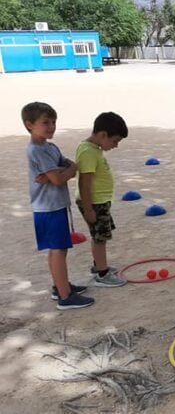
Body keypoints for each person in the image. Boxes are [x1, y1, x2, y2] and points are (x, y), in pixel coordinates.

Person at [23, 102, 95, 310]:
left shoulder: (49, 146)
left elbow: (69, 165)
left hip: (55, 205)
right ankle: (65, 296)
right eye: (45, 122)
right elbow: (58, 179)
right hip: (48, 208)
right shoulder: (37, 150)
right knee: (58, 250)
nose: (51, 126)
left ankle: (60, 286)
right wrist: (65, 172)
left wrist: (68, 169)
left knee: (58, 249)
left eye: (53, 122)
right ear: (29, 125)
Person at [75, 112, 129, 287]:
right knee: (100, 237)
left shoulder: (93, 150)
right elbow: (85, 183)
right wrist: (89, 208)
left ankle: (99, 266)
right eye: (115, 141)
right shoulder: (88, 152)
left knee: (100, 236)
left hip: (99, 201)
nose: (116, 146)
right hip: (94, 203)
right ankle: (102, 274)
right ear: (103, 135)